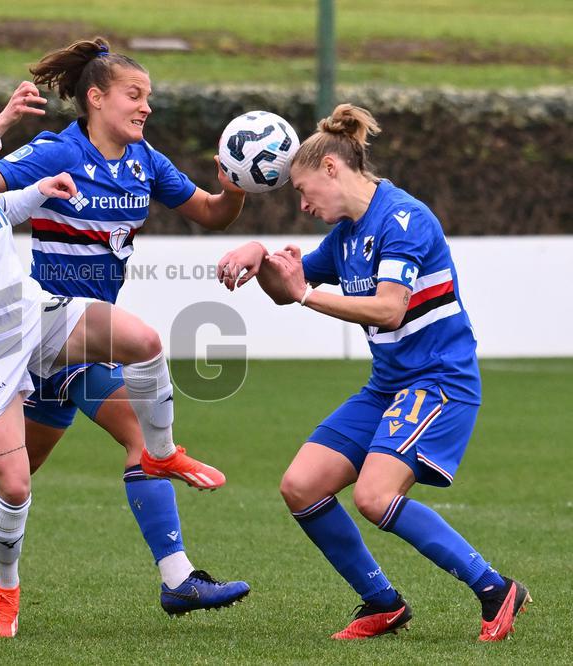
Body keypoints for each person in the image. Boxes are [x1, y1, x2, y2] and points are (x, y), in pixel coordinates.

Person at [0, 37, 251, 618]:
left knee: (11, 467)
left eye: (148, 97)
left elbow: (212, 213)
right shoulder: (42, 152)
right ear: (96, 98)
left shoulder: (143, 160)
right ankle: (178, 576)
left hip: (63, 324)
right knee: (138, 438)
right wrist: (8, 143)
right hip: (45, 336)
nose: (146, 107)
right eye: (135, 95)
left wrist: (235, 188)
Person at [216, 103, 529, 641]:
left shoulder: (403, 219)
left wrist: (307, 294)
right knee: (301, 485)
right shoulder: (346, 237)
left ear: (332, 168)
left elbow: (389, 308)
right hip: (388, 386)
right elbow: (285, 288)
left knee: (374, 497)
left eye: (302, 188)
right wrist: (258, 253)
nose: (303, 203)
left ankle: (497, 590)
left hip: (440, 382)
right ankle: (381, 602)